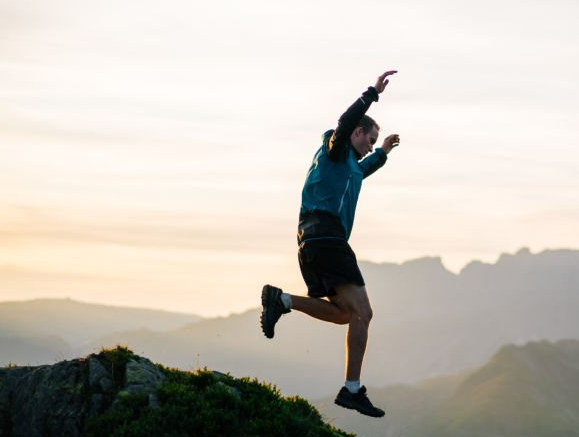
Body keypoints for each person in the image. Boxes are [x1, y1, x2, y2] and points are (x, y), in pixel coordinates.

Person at [260, 70, 400, 418]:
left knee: (344, 314)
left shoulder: (347, 164)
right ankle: (352, 390)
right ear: (356, 132)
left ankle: (282, 300)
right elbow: (345, 122)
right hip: (327, 236)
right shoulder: (335, 148)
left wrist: (382, 153)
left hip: (311, 240)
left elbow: (361, 171)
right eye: (370, 139)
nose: (370, 145)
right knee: (364, 313)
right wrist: (372, 94)